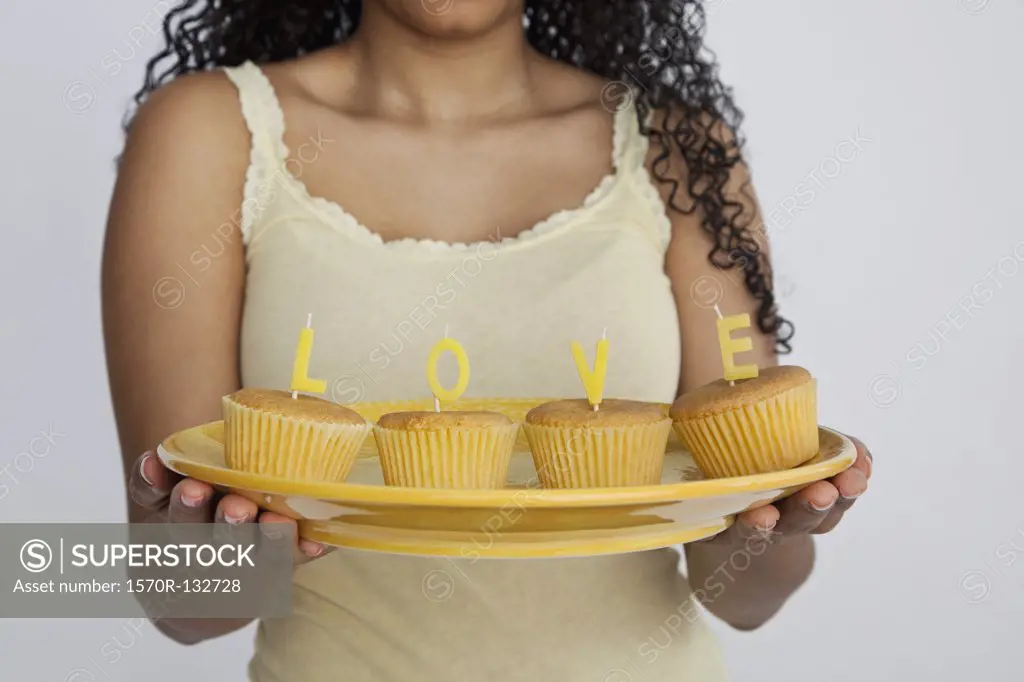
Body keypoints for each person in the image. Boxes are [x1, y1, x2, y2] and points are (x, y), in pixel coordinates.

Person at [102, 1, 873, 680]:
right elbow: (182, 607)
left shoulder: (678, 150)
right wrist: (219, 553)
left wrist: (778, 524)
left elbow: (744, 599)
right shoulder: (207, 132)